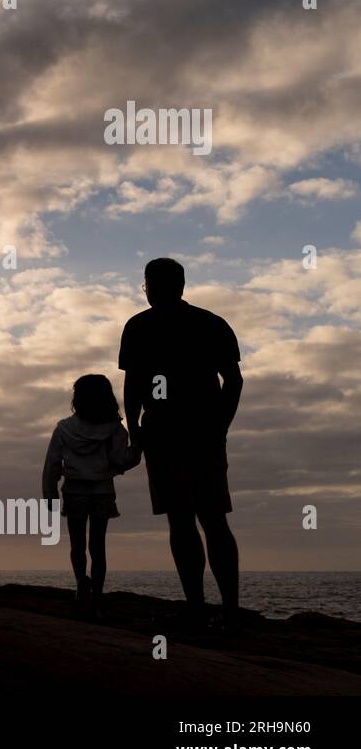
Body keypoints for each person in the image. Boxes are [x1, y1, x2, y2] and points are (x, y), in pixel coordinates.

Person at [118, 257, 244, 631]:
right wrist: (221, 424)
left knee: (186, 519)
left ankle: (200, 608)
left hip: (170, 432)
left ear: (150, 286)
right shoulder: (210, 323)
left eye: (148, 284)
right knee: (209, 518)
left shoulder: (140, 326)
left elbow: (134, 384)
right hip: (194, 432)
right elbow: (233, 380)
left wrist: (136, 428)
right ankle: (226, 610)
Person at [41, 374, 141, 619]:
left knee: (77, 544)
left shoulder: (64, 428)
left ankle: (80, 584)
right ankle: (97, 595)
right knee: (98, 546)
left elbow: (52, 464)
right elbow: (121, 460)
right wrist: (137, 451)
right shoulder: (115, 429)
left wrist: (50, 494)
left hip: (74, 490)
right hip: (102, 491)